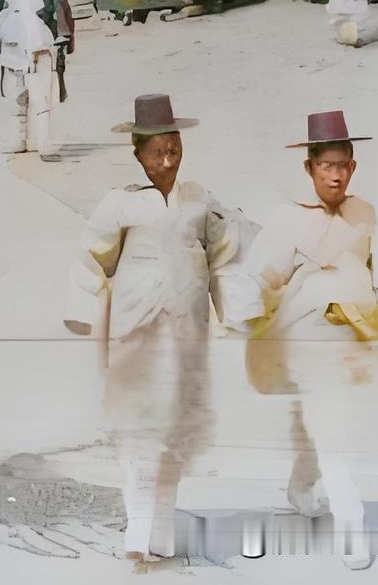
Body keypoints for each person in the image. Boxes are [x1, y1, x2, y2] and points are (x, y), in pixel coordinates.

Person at [65, 94, 251, 562]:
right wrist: (82, 311)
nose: (167, 160)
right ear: (138, 153)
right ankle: (138, 526)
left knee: (176, 431)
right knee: (137, 429)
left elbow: (226, 258)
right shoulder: (119, 205)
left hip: (186, 336)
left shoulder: (199, 201)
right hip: (136, 334)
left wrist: (239, 311)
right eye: (157, 151)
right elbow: (91, 259)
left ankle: (164, 522)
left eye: (174, 149)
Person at [241, 111, 378, 572]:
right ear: (309, 168)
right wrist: (246, 328)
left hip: (353, 338)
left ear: (353, 167)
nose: (335, 174)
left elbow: (369, 273)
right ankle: (352, 529)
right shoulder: (287, 219)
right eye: (325, 166)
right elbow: (259, 277)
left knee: (325, 422)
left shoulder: (363, 214)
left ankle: (300, 487)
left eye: (343, 165)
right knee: (337, 430)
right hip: (306, 341)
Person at [0, 0, 73, 161]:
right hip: (14, 50)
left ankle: (44, 143)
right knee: (18, 98)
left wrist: (65, 39)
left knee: (41, 98)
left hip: (39, 49)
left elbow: (62, 8)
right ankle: (21, 139)